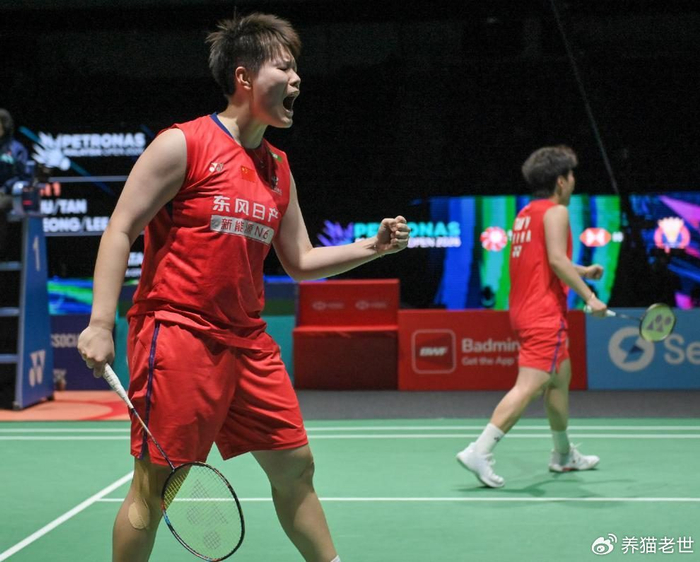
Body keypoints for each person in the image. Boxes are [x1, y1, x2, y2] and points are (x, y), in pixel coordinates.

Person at [77, 13, 410, 562]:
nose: (297, 79)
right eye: (285, 67)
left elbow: (300, 260)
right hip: (179, 334)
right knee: (155, 487)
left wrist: (372, 247)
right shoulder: (183, 144)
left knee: (295, 466)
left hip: (248, 342)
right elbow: (121, 228)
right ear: (244, 77)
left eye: (298, 69)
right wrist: (98, 321)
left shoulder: (277, 167)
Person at [456, 145, 607, 488]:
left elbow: (541, 260)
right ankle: (480, 450)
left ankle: (563, 454)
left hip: (523, 310)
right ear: (561, 181)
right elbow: (555, 260)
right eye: (571, 175)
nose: (573, 181)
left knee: (559, 378)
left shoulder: (526, 214)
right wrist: (590, 297)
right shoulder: (556, 212)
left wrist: (583, 271)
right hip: (544, 314)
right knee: (530, 385)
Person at [0, 109, 30, 255]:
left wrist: (4, 188)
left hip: (10, 195)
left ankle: (1, 251)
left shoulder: (17, 148)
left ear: (4, 126)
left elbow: (23, 176)